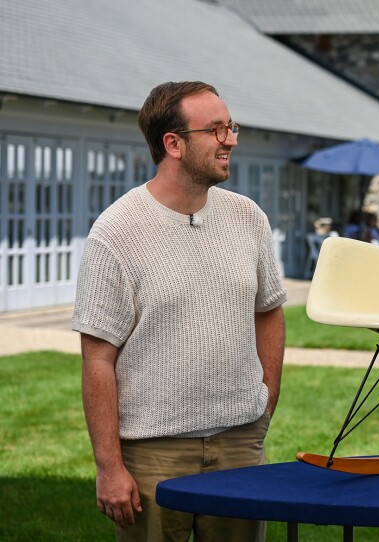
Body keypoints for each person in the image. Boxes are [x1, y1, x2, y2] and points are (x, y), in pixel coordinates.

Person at [73, 81, 287, 542]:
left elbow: (269, 310)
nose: (231, 139)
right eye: (216, 130)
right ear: (173, 143)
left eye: (231, 127)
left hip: (240, 444)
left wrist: (265, 399)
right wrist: (109, 466)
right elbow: (97, 358)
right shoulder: (116, 232)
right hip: (152, 454)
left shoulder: (248, 218)